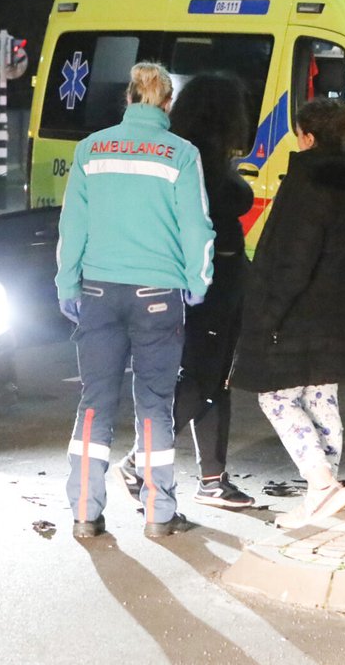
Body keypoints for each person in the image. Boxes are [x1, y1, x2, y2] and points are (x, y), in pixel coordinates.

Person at [56, 62, 215, 540]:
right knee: (154, 404)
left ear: (128, 99)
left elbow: (72, 227)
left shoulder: (90, 150)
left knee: (94, 403)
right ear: (166, 104)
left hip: (98, 292)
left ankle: (85, 513)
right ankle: (158, 515)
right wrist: (198, 280)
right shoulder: (181, 154)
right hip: (158, 295)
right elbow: (197, 226)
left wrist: (67, 285)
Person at [230, 97, 345, 529]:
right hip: (342, 311)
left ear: (310, 137)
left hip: (304, 310)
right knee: (321, 396)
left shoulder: (309, 181)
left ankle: (321, 485)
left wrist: (266, 315)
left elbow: (291, 256)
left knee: (277, 397)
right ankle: (324, 491)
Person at [112, 73, 256, 509]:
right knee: (198, 379)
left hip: (210, 280)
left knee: (215, 378)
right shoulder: (192, 161)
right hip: (203, 283)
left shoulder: (194, 156)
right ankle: (138, 461)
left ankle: (212, 478)